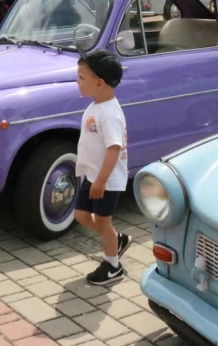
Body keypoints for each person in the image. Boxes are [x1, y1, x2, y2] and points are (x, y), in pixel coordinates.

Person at [73, 50, 132, 286]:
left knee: (103, 222)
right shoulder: (96, 106)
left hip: (106, 180)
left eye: (81, 77)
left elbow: (113, 149)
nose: (77, 82)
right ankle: (116, 240)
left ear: (99, 83)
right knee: (81, 215)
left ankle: (113, 266)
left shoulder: (109, 114)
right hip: (93, 175)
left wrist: (101, 181)